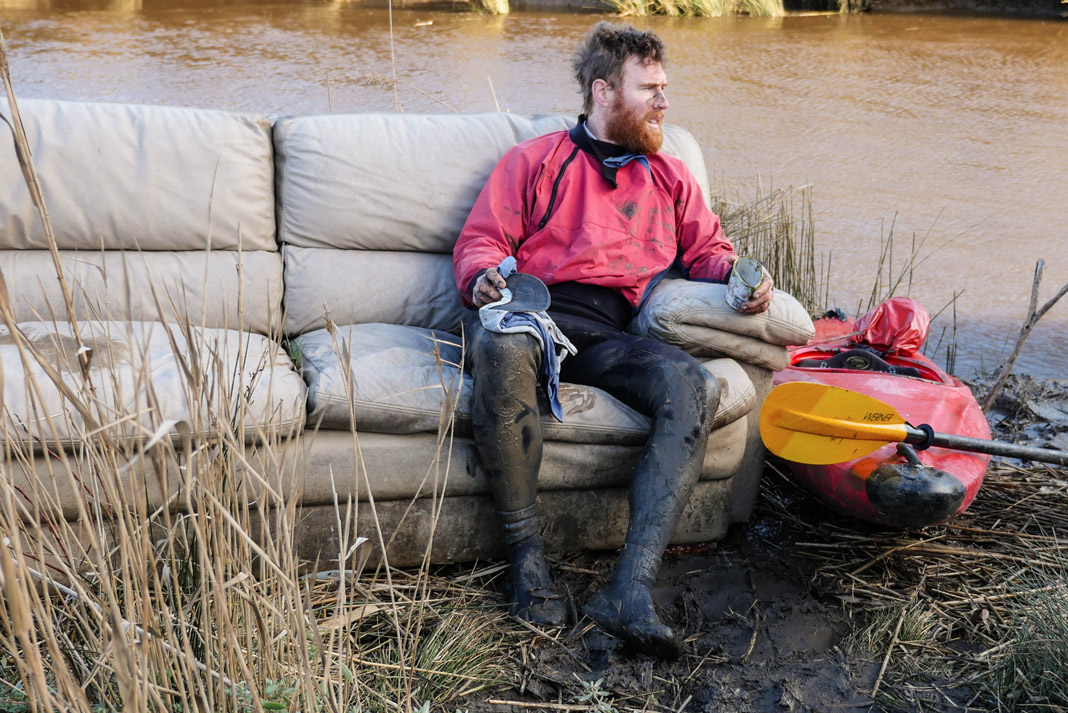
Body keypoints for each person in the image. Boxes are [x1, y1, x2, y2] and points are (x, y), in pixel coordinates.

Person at [452, 21, 773, 659]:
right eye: (649, 89)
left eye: (664, 88)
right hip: (531, 314)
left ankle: (629, 590)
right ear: (603, 92)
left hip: (607, 334)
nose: (663, 102)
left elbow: (708, 251)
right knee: (505, 347)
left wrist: (742, 280)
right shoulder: (536, 161)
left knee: (695, 383)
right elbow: (482, 241)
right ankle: (526, 565)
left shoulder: (671, 176)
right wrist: (483, 277)